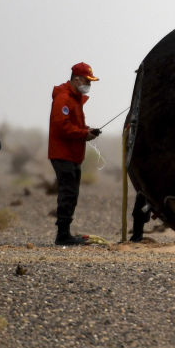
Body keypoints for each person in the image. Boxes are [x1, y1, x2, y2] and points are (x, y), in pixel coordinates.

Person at [48, 62, 101, 245]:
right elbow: (61, 127)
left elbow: (74, 126)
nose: (89, 85)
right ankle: (62, 235)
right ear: (77, 79)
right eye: (88, 81)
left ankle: (65, 233)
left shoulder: (75, 99)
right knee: (67, 193)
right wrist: (83, 134)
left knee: (72, 193)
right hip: (62, 154)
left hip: (73, 154)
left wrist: (87, 131)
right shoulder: (63, 98)